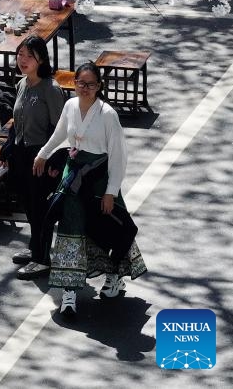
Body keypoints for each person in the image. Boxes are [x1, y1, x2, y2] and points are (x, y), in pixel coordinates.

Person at [33, 63, 147, 318]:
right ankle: (69, 292)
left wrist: (111, 192)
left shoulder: (108, 114)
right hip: (74, 177)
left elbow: (118, 155)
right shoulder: (70, 106)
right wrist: (43, 154)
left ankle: (114, 277)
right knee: (70, 229)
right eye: (81, 83)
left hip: (99, 178)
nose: (85, 88)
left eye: (90, 84)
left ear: (99, 86)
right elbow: (60, 133)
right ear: (74, 83)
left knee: (108, 227)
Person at [4, 36, 65, 279]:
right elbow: (16, 120)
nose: (23, 60)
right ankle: (34, 248)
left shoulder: (51, 89)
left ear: (41, 59)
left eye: (29, 56)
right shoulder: (22, 84)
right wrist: (9, 146)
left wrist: (52, 159)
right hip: (22, 154)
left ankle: (42, 259)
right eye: (20, 55)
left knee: (41, 208)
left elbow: (60, 128)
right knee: (28, 204)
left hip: (41, 156)